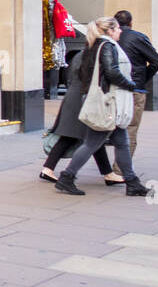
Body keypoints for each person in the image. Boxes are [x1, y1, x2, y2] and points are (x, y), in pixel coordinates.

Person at [55, 16, 151, 196]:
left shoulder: (94, 46)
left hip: (105, 101)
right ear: (110, 31)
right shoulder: (107, 46)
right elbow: (112, 71)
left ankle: (132, 182)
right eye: (117, 29)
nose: (121, 31)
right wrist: (130, 85)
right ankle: (67, 177)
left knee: (122, 142)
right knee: (92, 143)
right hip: (107, 103)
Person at [39, 40, 121, 185]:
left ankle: (48, 168)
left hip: (73, 98)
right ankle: (63, 172)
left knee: (82, 137)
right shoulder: (93, 56)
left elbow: (71, 78)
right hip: (82, 100)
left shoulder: (80, 55)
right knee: (90, 137)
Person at [111, 10, 158, 167]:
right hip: (135, 89)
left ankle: (108, 169)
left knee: (102, 129)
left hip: (112, 89)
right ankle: (119, 170)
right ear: (131, 23)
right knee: (130, 129)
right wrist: (143, 78)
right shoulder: (138, 37)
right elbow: (156, 61)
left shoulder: (107, 40)